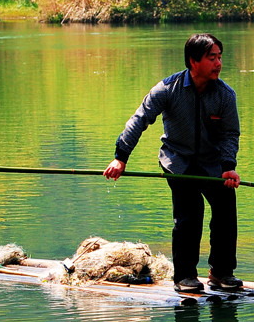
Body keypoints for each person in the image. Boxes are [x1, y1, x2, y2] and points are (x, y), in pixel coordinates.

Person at [104, 33, 243, 294]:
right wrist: (120, 157)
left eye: (220, 57)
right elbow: (139, 119)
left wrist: (228, 164)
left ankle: (221, 272)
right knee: (190, 214)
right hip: (177, 161)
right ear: (193, 61)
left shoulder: (225, 95)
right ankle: (185, 276)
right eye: (212, 58)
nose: (218, 63)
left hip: (214, 164)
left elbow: (230, 134)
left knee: (225, 209)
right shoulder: (168, 90)